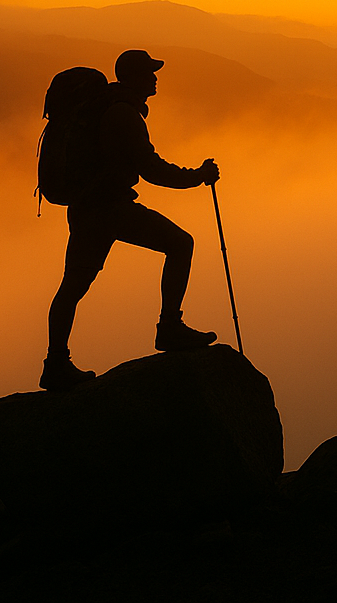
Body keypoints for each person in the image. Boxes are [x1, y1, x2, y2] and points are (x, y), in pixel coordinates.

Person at [41, 49, 222, 391]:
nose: (155, 78)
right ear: (135, 77)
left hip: (87, 209)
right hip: (110, 208)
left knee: (72, 288)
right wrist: (197, 176)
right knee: (180, 244)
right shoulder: (123, 114)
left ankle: (55, 363)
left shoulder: (110, 108)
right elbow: (151, 169)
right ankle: (169, 327)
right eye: (150, 72)